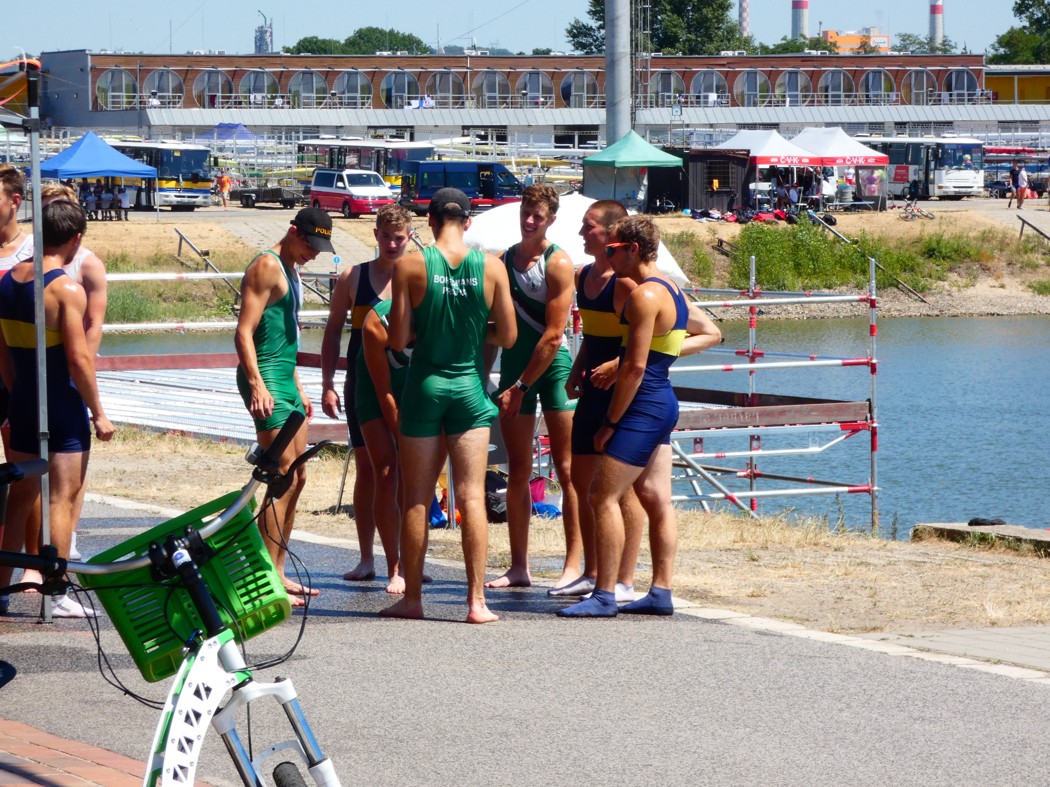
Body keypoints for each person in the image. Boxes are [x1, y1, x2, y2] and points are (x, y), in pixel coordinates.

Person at [558, 216, 721, 618]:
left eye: (612, 249)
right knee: (655, 497)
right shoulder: (671, 289)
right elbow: (684, 341)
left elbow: (633, 367)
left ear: (633, 249)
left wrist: (610, 423)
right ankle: (660, 591)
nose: (608, 256)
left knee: (602, 495)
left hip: (643, 406)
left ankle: (605, 594)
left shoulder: (644, 296)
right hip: (661, 401)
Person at [380, 187, 516, 623]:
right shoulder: (492, 266)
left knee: (417, 497)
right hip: (469, 387)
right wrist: (475, 332)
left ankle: (412, 599)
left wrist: (425, 328)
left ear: (431, 220)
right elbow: (509, 336)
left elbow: (397, 339)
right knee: (472, 495)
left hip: (425, 385)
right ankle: (476, 602)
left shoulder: (410, 265)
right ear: (468, 221)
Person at [0, 199, 116, 618]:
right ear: (76, 239)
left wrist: (16, 391)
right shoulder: (65, 288)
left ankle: (2, 589)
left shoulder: (7, 280)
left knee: (20, 497)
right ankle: (56, 591)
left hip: (23, 399)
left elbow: (2, 353)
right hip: (62, 404)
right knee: (62, 499)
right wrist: (98, 411)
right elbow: (79, 359)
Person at [235, 207, 333, 605]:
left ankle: (278, 570)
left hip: (286, 380)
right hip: (265, 379)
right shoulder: (266, 266)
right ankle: (263, 579)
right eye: (310, 245)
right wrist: (257, 384)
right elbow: (244, 333)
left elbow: (286, 334)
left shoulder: (292, 269)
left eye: (319, 248)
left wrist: (300, 387)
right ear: (293, 232)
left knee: (299, 474)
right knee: (280, 477)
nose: (313, 254)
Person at [485, 184, 579, 592]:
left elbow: (555, 335)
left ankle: (573, 565)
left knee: (568, 470)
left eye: (537, 216)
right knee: (518, 469)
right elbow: (490, 326)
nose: (528, 221)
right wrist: (482, 376)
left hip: (551, 369)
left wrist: (522, 385)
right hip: (514, 368)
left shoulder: (558, 262)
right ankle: (519, 566)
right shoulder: (502, 261)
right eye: (525, 212)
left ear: (550, 220)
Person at [321, 204, 414, 589]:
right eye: (386, 237)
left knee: (405, 472)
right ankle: (366, 557)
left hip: (405, 384)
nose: (392, 244)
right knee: (370, 470)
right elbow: (332, 332)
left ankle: (406, 560)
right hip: (362, 383)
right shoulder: (354, 277)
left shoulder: (417, 276)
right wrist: (327, 383)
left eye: (399, 238)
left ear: (409, 237)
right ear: (375, 235)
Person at [564, 199, 646, 603]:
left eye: (589, 226)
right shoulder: (583, 276)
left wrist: (616, 365)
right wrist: (576, 368)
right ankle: (593, 571)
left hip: (620, 393)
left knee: (620, 489)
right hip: (590, 390)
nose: (582, 233)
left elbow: (648, 341)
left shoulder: (626, 284)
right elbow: (593, 335)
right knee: (581, 482)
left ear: (612, 233)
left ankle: (624, 579)